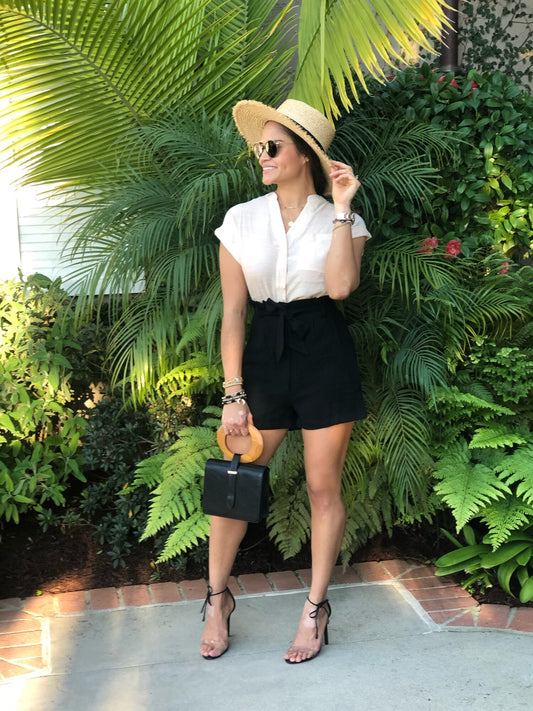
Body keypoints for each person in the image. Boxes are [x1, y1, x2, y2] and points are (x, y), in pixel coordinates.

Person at [200, 98, 371, 664]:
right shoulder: (241, 220)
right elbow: (232, 313)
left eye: (272, 147)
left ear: (304, 156)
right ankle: (217, 599)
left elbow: (340, 288)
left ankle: (315, 609)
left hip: (324, 352)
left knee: (323, 487)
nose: (263, 156)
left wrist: (342, 207)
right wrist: (233, 391)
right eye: (260, 147)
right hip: (265, 355)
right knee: (235, 478)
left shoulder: (342, 220)